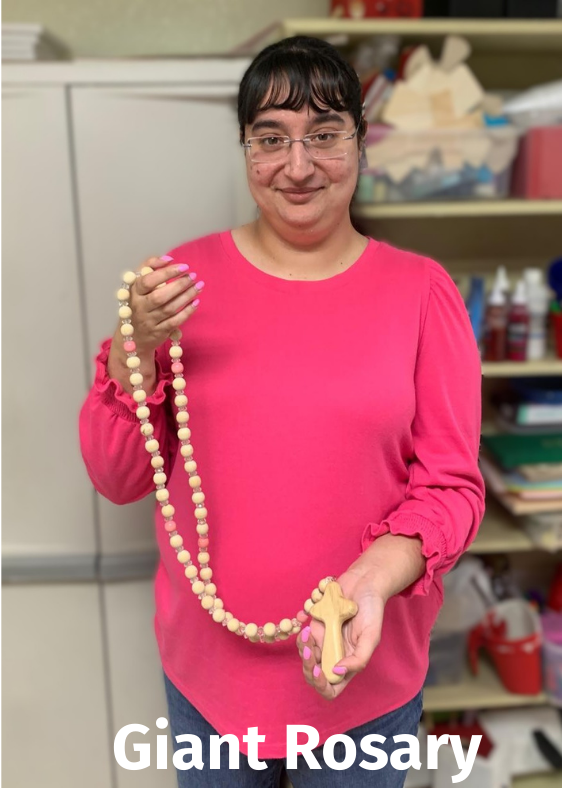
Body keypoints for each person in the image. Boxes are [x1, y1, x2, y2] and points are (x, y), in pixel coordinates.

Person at [79, 35, 485, 787]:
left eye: (325, 135)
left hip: (362, 684)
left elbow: (454, 486)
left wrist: (377, 572)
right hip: (210, 687)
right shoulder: (179, 287)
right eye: (271, 139)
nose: (297, 167)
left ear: (362, 145)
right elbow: (118, 476)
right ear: (245, 150)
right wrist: (130, 350)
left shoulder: (422, 295)